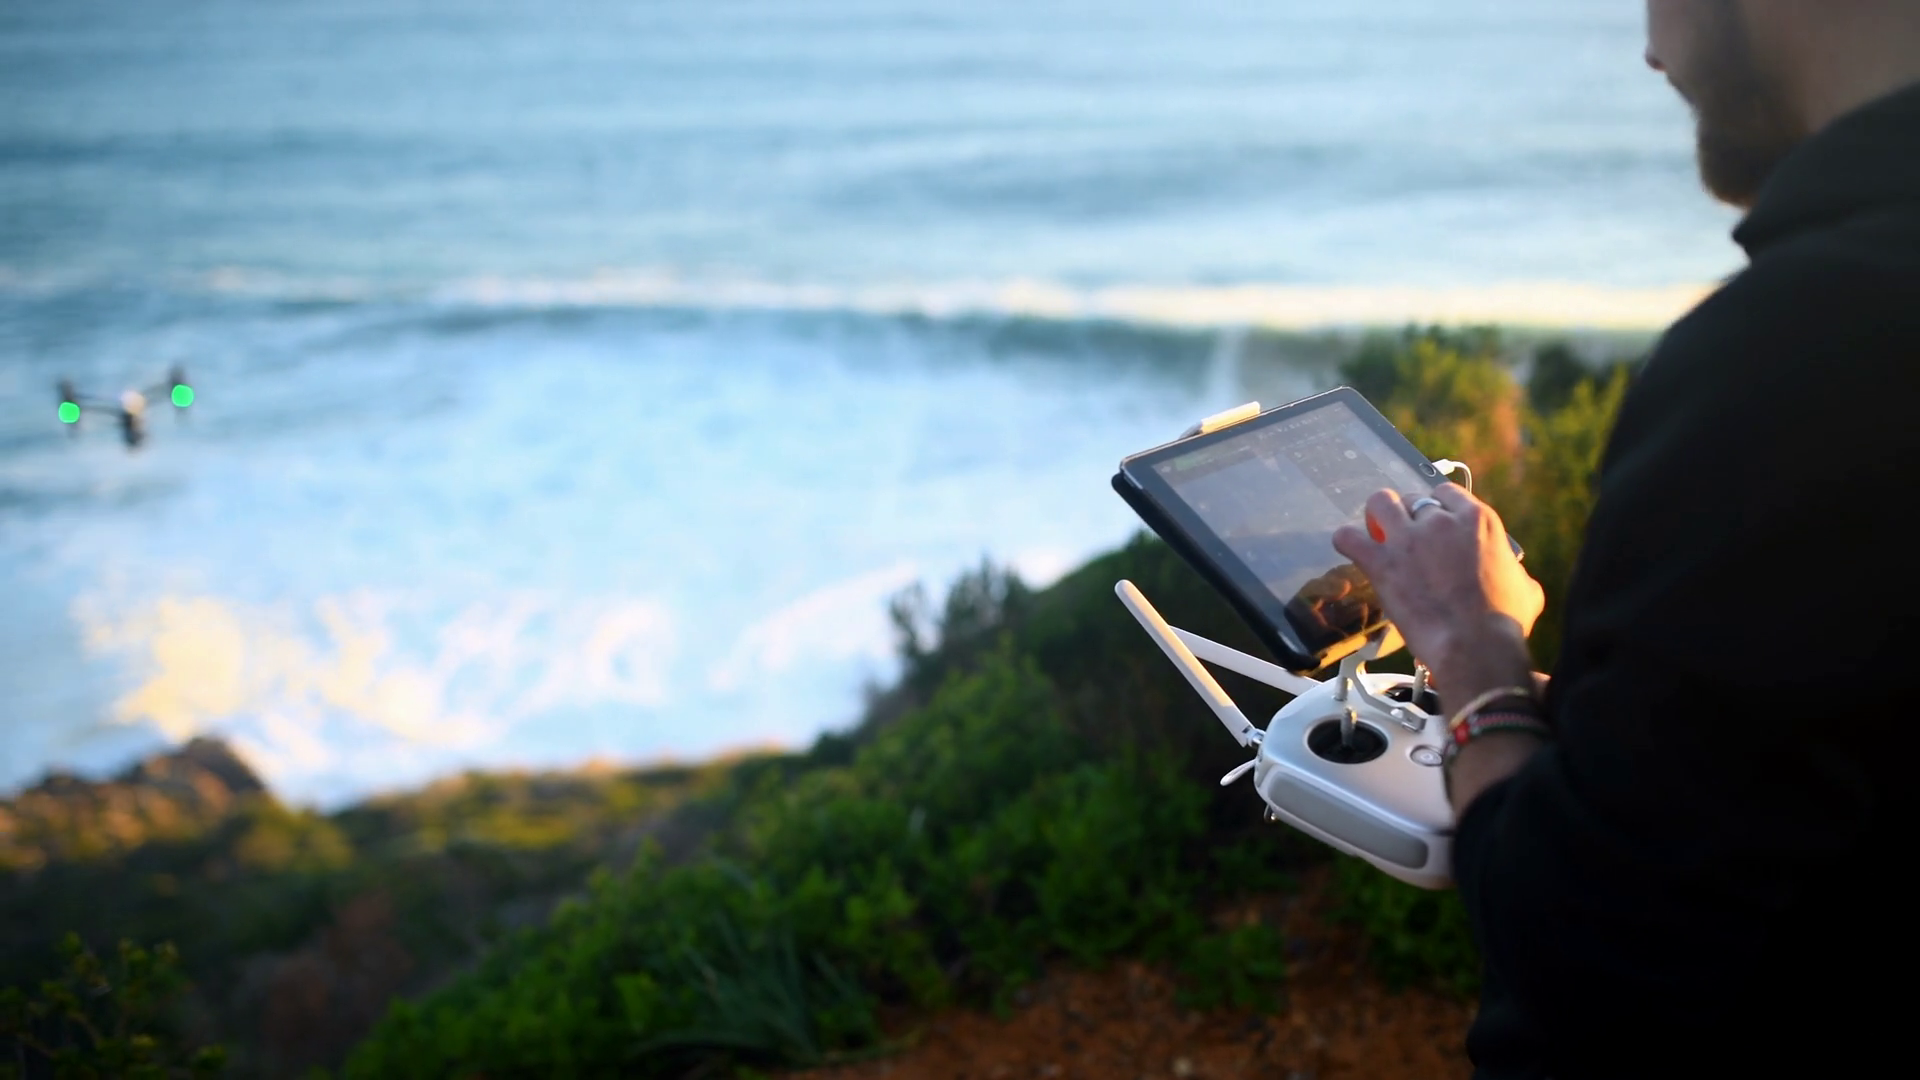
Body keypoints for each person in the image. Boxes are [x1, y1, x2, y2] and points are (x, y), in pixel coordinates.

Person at [1328, 2, 1920, 1076]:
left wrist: (1474, 658)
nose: (1651, 50)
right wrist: (1605, 718)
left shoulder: (1803, 351)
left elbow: (1584, 945)